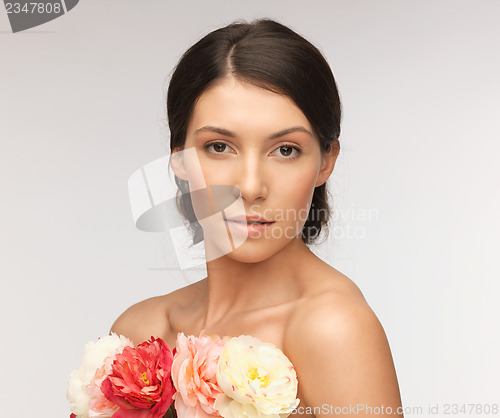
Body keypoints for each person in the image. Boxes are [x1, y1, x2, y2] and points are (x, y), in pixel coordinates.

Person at [111, 18, 404, 417]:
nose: (250, 187)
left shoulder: (332, 328)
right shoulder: (142, 332)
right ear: (178, 157)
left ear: (325, 161)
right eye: (219, 146)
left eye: (285, 150)